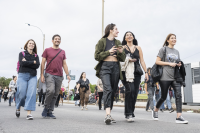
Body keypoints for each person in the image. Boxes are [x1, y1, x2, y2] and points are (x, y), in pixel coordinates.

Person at [152, 33, 188, 124]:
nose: (174, 39)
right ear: (168, 40)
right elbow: (157, 61)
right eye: (172, 38)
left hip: (175, 77)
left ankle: (179, 117)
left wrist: (179, 64)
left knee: (178, 95)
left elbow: (176, 62)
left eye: (175, 38)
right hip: (164, 77)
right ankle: (155, 110)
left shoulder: (177, 51)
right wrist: (169, 64)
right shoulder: (163, 49)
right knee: (163, 97)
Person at [94, 23, 126, 124]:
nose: (118, 31)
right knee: (107, 88)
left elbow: (123, 58)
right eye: (116, 29)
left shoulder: (118, 42)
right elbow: (96, 56)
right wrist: (108, 52)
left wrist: (121, 52)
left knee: (112, 91)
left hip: (116, 67)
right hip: (105, 67)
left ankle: (109, 114)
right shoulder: (102, 41)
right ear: (110, 30)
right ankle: (107, 114)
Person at [41, 34, 71, 119]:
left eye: (59, 39)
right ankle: (46, 107)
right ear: (52, 41)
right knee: (50, 90)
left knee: (55, 94)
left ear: (60, 41)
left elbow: (64, 64)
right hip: (49, 74)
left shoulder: (62, 52)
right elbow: (43, 62)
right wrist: (42, 74)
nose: (57, 40)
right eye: (55, 39)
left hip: (59, 75)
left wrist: (67, 74)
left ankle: (50, 111)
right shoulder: (47, 50)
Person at [121, 31, 148, 121]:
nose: (129, 36)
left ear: (133, 37)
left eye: (131, 35)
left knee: (135, 93)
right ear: (125, 38)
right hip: (126, 73)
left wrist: (146, 72)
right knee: (130, 90)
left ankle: (131, 112)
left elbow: (142, 61)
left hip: (136, 72)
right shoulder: (122, 48)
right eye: (127, 35)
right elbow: (120, 61)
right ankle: (128, 114)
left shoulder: (138, 48)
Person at [16, 39, 40, 120]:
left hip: (32, 76)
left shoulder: (36, 56)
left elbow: (37, 65)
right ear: (26, 45)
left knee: (31, 94)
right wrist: (32, 62)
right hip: (22, 75)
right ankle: (18, 107)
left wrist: (28, 62)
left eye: (33, 44)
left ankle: (29, 113)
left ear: (34, 46)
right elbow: (22, 63)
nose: (31, 45)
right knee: (21, 94)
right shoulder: (22, 54)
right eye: (30, 43)